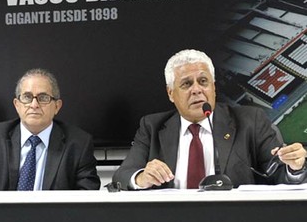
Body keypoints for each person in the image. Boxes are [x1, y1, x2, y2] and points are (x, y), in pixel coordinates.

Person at [113, 49, 307, 190]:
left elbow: (278, 174)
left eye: (203, 81)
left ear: (214, 88)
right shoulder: (151, 127)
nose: (197, 89)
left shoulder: (250, 121)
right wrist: (141, 178)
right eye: (187, 84)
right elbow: (122, 176)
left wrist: (295, 167)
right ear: (171, 93)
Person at [0, 68, 100, 192]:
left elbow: (88, 192)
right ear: (17, 105)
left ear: (57, 106)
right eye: (27, 97)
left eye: (43, 98)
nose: (34, 105)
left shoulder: (79, 143)